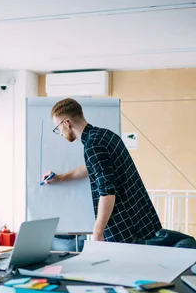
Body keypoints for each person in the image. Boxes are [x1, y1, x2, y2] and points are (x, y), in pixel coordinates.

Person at [43, 98, 161, 243]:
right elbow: (91, 168)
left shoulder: (93, 146)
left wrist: (97, 232)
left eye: (58, 128)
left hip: (124, 228)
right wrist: (61, 177)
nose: (60, 133)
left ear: (66, 123)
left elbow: (107, 192)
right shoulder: (104, 135)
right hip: (140, 219)